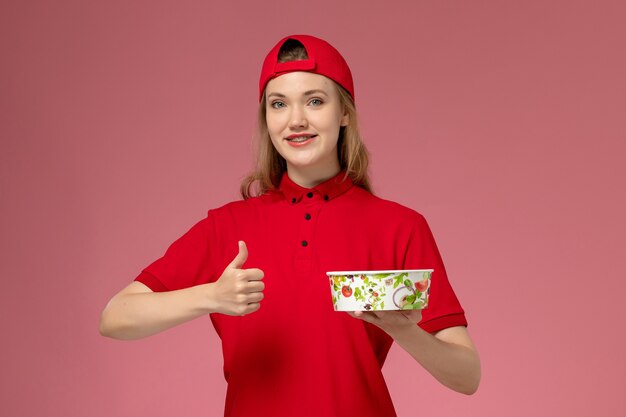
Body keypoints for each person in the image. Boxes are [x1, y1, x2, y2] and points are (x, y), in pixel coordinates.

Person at [99, 34, 481, 417]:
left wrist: (401, 330)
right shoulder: (227, 227)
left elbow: (467, 376)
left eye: (315, 101)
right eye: (278, 104)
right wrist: (210, 297)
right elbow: (116, 316)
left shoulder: (400, 226)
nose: (296, 120)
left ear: (344, 113)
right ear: (266, 119)